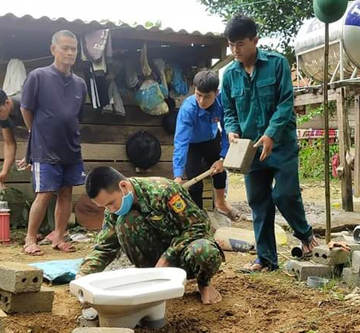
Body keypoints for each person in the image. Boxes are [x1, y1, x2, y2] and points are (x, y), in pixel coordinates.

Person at [221, 15, 317, 272]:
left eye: (240, 44)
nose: (235, 50)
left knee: (285, 195)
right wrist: (232, 130)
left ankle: (305, 234)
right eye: (231, 45)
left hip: (281, 144)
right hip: (250, 150)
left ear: (255, 40)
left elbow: (286, 102)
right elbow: (229, 109)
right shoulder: (229, 75)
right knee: (258, 202)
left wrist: (271, 134)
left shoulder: (276, 65)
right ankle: (265, 260)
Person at [78, 166, 224, 305]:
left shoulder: (163, 190)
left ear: (124, 186)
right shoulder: (113, 211)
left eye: (111, 203)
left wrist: (168, 256)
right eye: (105, 207)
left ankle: (204, 284)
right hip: (155, 265)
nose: (110, 209)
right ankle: (151, 282)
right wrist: (82, 276)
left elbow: (198, 225)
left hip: (184, 254)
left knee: (204, 250)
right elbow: (105, 247)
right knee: (125, 222)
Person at [20, 30, 87, 256]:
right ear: (53, 50)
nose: (69, 52)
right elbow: (26, 109)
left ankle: (59, 236)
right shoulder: (38, 76)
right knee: (45, 193)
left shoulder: (79, 84)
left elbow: (78, 116)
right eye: (65, 48)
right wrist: (35, 131)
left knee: (66, 192)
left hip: (71, 147)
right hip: (44, 147)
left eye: (73, 49)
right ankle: (30, 238)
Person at [173, 70, 238, 220]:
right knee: (195, 183)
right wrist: (177, 175)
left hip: (211, 139)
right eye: (198, 95)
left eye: (207, 96)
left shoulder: (222, 102)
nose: (202, 101)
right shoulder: (188, 109)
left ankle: (221, 203)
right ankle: (198, 217)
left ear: (216, 92)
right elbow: (181, 142)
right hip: (192, 145)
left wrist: (222, 158)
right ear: (194, 90)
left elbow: (228, 129)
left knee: (220, 173)